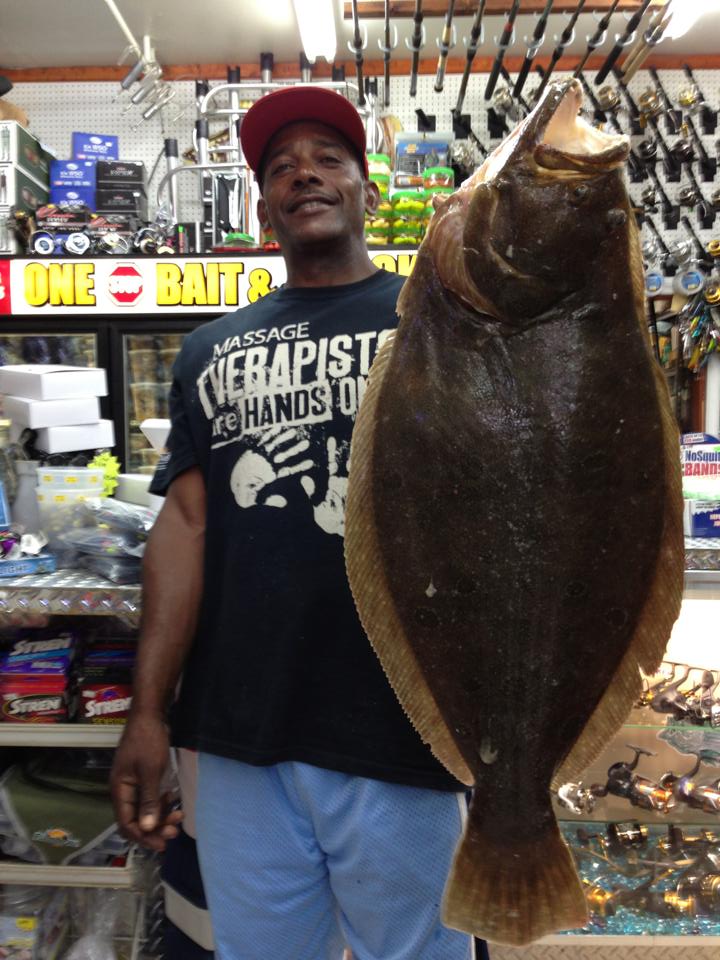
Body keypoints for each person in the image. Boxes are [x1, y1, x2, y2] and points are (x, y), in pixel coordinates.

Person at [111, 85, 481, 960]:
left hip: (403, 723)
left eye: (327, 158)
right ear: (262, 201)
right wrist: (147, 712)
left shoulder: (437, 325)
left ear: (367, 187)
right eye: (280, 166)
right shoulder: (209, 349)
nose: (302, 174)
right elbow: (185, 529)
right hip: (239, 729)